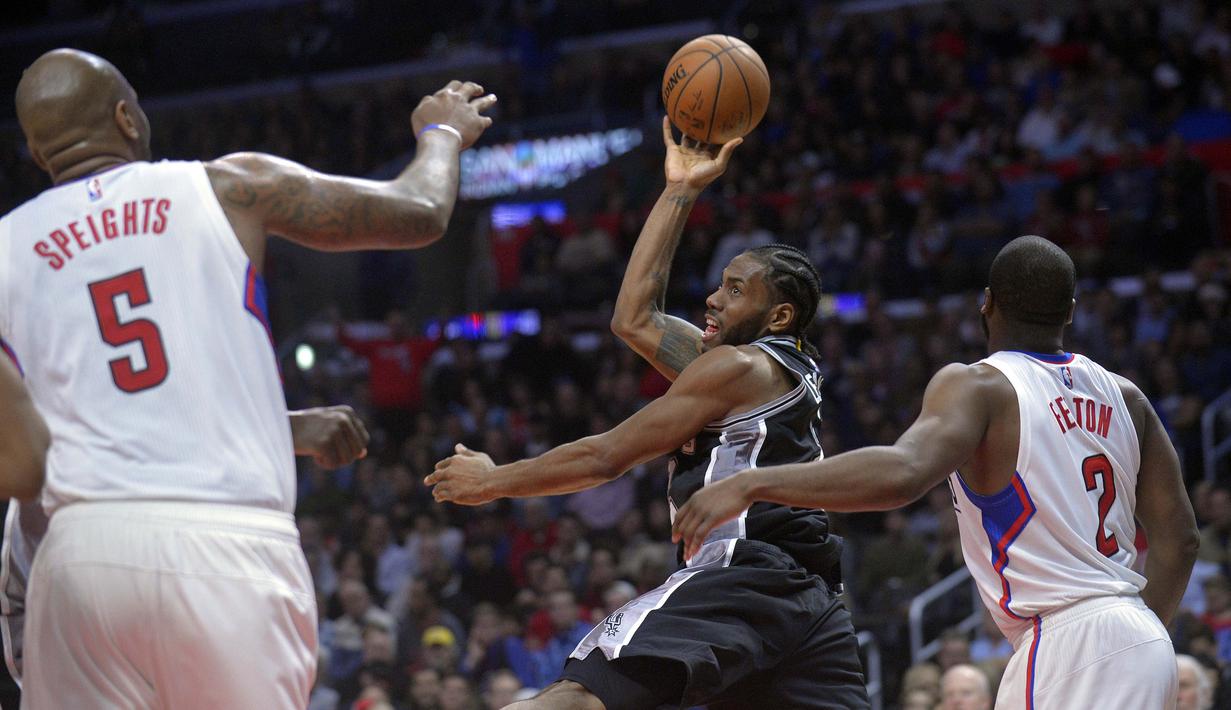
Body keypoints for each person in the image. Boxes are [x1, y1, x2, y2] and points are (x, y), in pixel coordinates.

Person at [2, 48, 494, 708]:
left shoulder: (6, 248)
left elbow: (55, 431)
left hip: (83, 554)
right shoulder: (228, 185)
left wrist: (283, 428)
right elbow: (420, 209)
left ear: (39, 156)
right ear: (126, 118)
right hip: (224, 544)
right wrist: (441, 135)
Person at [427, 118, 867, 709]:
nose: (713, 298)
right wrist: (679, 189)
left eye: (735, 290)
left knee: (580, 697)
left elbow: (606, 455)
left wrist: (491, 481)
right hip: (810, 601)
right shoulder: (777, 370)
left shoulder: (735, 368)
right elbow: (634, 320)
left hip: (741, 575)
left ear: (779, 316)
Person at [674, 235, 1200, 708]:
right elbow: (1181, 540)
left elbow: (903, 472)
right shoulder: (1127, 397)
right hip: (1143, 637)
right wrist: (1135, 637)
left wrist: (752, 482)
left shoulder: (981, 385)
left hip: (1066, 638)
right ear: (1070, 312)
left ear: (987, 304)